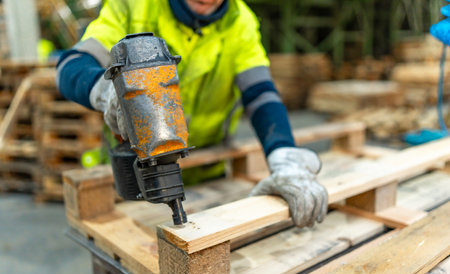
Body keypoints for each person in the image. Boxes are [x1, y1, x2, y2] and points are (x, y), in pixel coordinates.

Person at [56, 0, 328, 228]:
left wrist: (283, 155)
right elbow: (70, 66)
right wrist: (105, 92)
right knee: (136, 250)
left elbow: (260, 94)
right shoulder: (133, 5)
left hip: (210, 168)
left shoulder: (240, 20)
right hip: (134, 171)